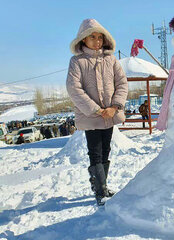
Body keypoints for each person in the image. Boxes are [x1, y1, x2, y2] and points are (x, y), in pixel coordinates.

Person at [66, 18, 128, 205]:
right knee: (95, 152)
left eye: (100, 37)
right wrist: (96, 110)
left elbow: (122, 83)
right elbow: (73, 88)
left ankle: (102, 185)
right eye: (92, 37)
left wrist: (114, 107)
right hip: (91, 117)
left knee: (106, 150)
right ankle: (100, 191)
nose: (97, 40)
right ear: (83, 39)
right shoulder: (77, 62)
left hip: (109, 115)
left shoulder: (111, 59)